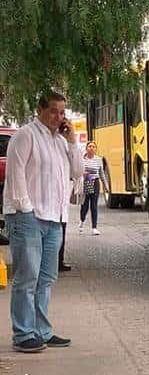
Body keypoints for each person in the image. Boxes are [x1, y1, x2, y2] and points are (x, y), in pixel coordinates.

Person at [3, 91, 83, 353]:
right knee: (27, 277)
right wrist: (25, 210)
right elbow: (16, 177)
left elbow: (78, 172)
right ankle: (24, 334)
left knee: (46, 277)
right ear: (39, 110)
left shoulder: (60, 141)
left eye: (62, 112)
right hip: (29, 216)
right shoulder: (25, 135)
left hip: (54, 218)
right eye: (52, 111)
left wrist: (72, 141)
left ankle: (42, 330)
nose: (57, 117)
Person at [79, 141, 108, 235]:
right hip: (86, 181)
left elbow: (102, 174)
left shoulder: (99, 160)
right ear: (86, 149)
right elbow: (77, 171)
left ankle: (94, 227)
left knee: (94, 206)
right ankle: (82, 221)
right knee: (85, 205)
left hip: (95, 182)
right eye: (89, 146)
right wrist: (82, 174)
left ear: (96, 149)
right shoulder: (82, 159)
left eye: (93, 147)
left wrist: (106, 185)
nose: (91, 148)